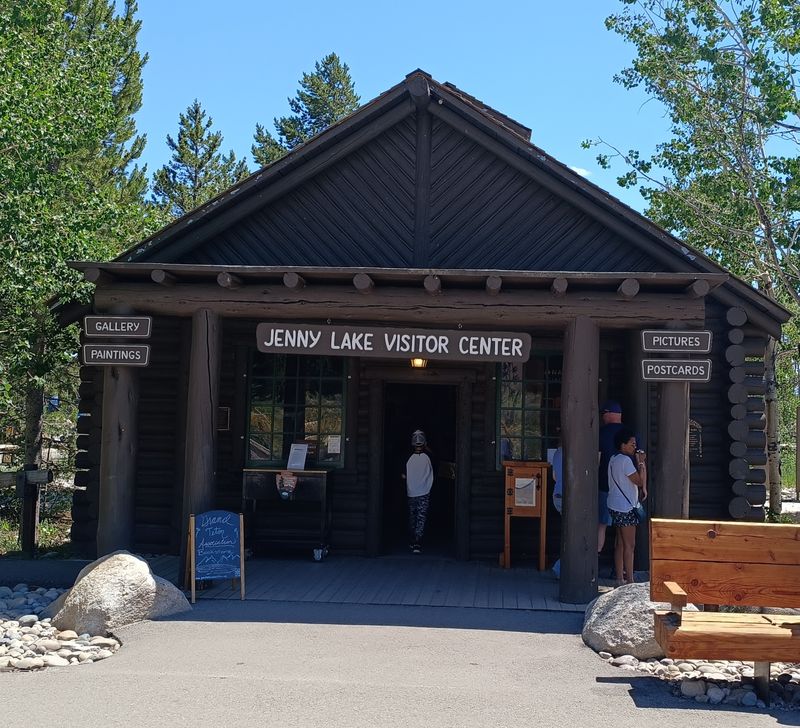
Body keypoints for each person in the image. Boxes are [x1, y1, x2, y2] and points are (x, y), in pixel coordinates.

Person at [606, 427, 647, 586]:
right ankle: (629, 580)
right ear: (623, 444)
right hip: (626, 507)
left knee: (620, 543)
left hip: (614, 505)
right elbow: (639, 481)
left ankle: (619, 578)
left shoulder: (613, 459)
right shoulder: (626, 461)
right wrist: (641, 463)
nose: (634, 447)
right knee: (630, 544)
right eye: (632, 444)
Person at [598, 400, 624, 553]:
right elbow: (641, 461)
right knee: (622, 529)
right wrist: (643, 485)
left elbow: (596, 461)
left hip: (604, 485)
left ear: (608, 414)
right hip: (626, 488)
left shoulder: (601, 433)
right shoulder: (630, 433)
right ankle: (620, 569)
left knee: (601, 525)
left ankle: (594, 561)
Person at [402, 429, 433, 554]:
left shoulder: (427, 457)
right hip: (418, 491)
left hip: (419, 491)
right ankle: (415, 540)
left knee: (416, 517)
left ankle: (416, 541)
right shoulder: (412, 457)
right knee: (418, 517)